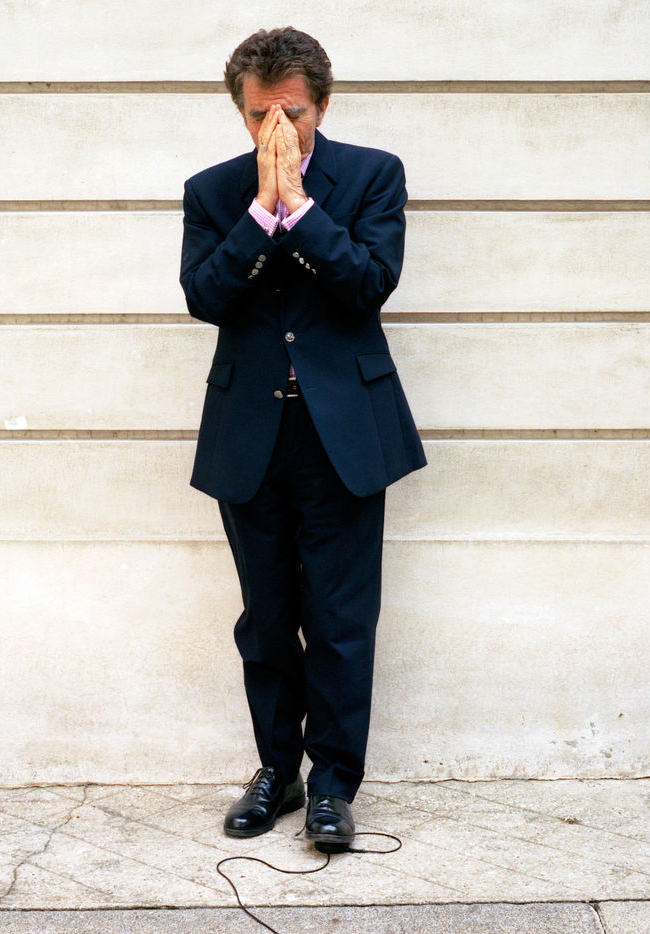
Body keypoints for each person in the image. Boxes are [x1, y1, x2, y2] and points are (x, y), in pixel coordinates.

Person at [179, 27, 426, 854]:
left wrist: (303, 210)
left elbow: (369, 284)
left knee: (341, 620)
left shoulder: (372, 175)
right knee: (268, 617)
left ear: (322, 103)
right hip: (251, 433)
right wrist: (260, 212)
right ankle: (276, 770)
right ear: (240, 112)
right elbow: (205, 297)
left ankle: (333, 786)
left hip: (342, 434)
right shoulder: (212, 192)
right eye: (259, 115)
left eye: (291, 112)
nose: (275, 128)